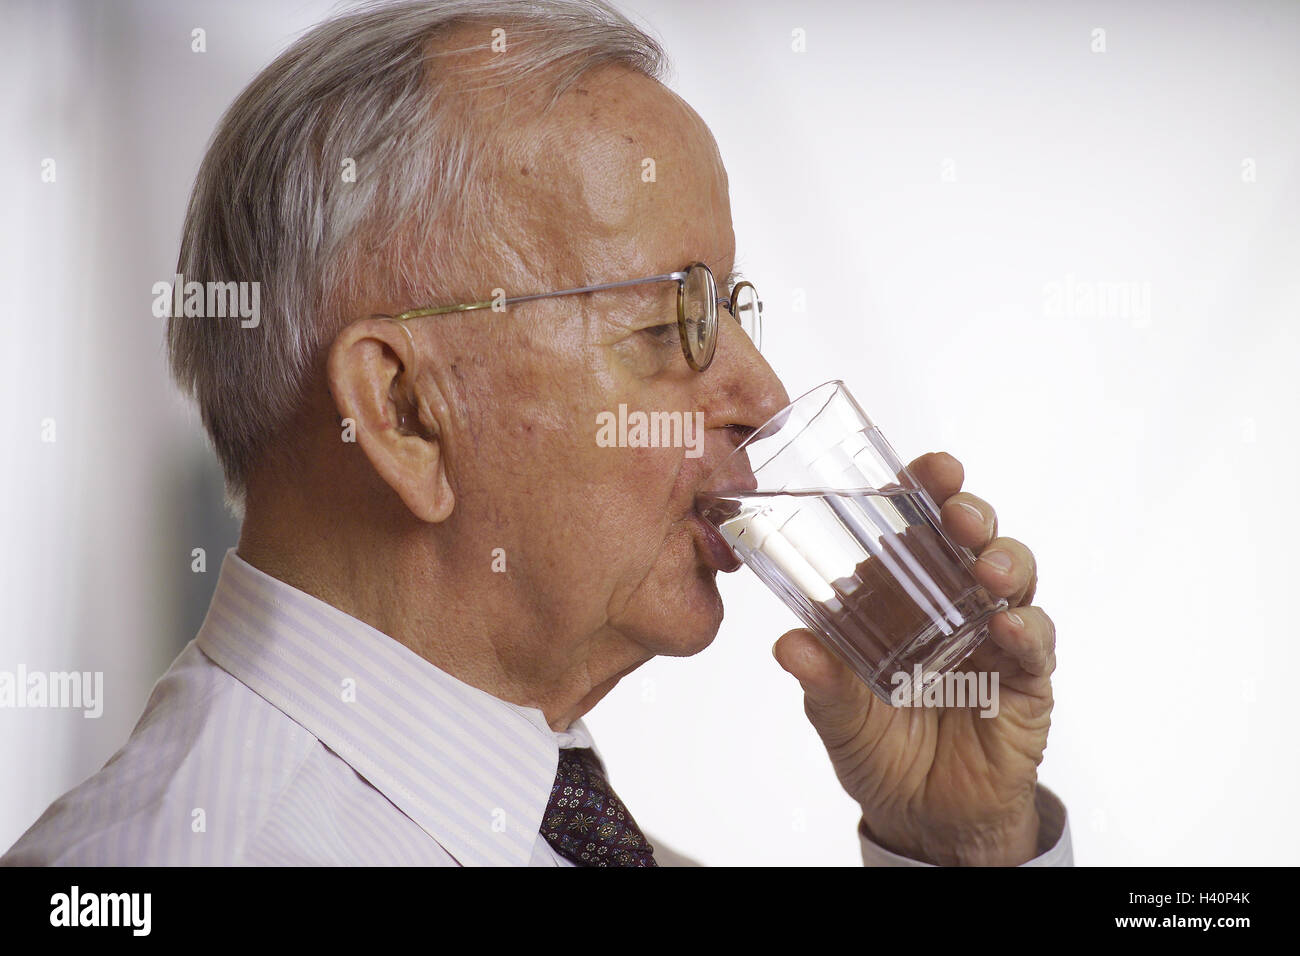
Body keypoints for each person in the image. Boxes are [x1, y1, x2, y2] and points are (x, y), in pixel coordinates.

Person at [2, 0, 1069, 866]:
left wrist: (963, 846)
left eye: (734, 310)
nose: (766, 393)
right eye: (667, 323)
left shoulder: (565, 832)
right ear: (404, 411)